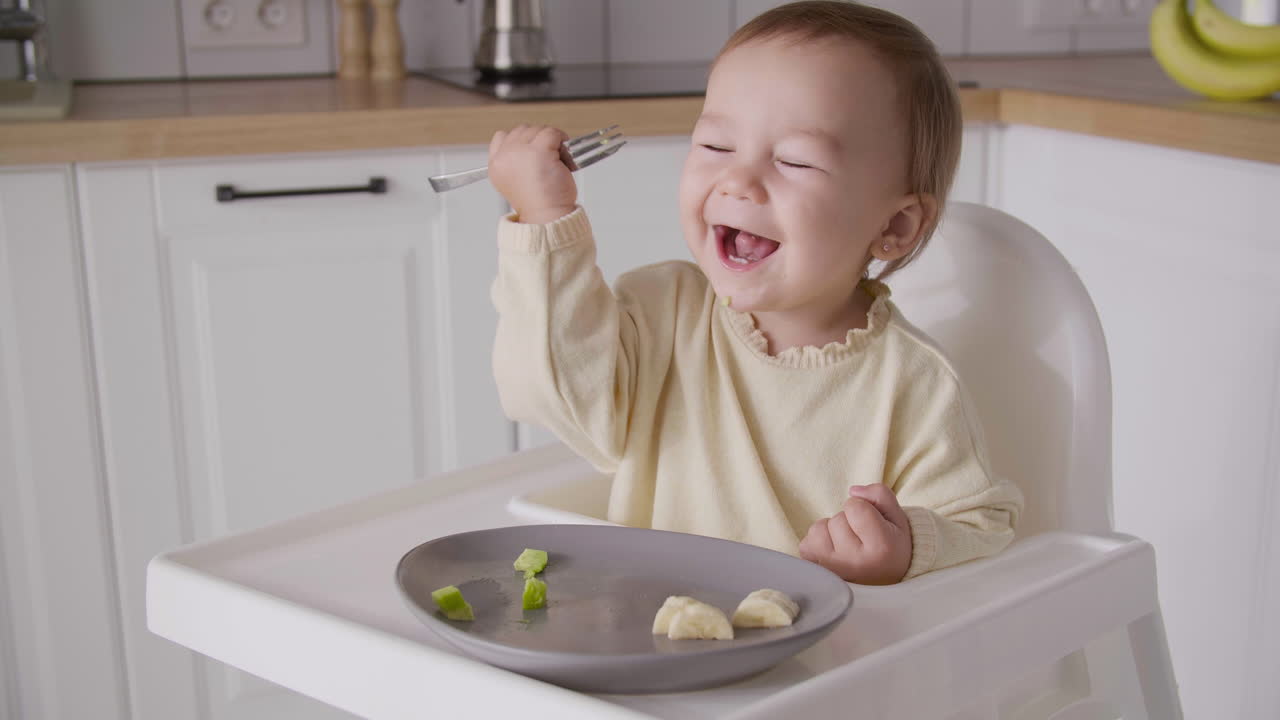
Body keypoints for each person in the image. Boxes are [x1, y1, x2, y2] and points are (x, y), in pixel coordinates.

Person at [486, 0, 1023, 584]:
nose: (737, 180)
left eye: (795, 160)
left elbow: (981, 522)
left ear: (893, 227)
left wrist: (904, 549)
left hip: (819, 663)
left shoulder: (914, 383)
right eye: (716, 147)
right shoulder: (664, 313)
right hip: (648, 634)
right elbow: (550, 393)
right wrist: (545, 222)